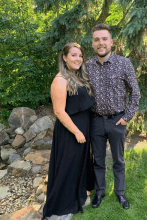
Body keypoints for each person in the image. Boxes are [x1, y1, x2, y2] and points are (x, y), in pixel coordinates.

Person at [86, 24, 141, 210]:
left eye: (104, 39)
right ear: (92, 44)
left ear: (111, 42)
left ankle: (120, 193)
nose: (100, 43)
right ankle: (100, 192)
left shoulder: (124, 63)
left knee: (118, 160)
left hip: (117, 121)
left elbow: (135, 93)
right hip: (96, 121)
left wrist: (127, 117)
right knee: (98, 160)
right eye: (96, 40)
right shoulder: (87, 67)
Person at [42, 42, 95, 219]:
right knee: (68, 166)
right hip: (70, 131)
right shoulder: (60, 80)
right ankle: (61, 205)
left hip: (82, 128)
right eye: (74, 55)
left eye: (80, 55)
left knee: (79, 163)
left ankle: (79, 192)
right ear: (64, 58)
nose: (78, 59)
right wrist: (77, 132)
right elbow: (59, 111)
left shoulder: (76, 76)